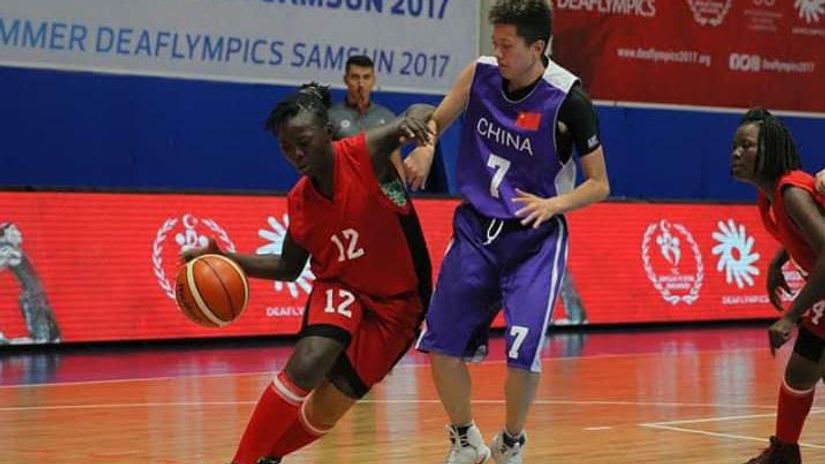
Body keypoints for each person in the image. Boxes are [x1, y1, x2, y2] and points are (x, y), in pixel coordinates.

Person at [183, 83, 435, 464]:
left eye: (303, 141)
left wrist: (417, 115)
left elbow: (420, 106)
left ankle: (270, 456)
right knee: (309, 360)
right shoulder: (300, 201)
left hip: (399, 305)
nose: (296, 154)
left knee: (325, 410)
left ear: (328, 133)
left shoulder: (365, 152)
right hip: (342, 286)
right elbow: (289, 267)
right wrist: (225, 257)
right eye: (286, 147)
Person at [408, 1, 610, 462]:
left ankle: (511, 442)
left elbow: (600, 183)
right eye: (494, 42)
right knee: (440, 344)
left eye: (507, 45)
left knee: (522, 354)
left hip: (534, 238)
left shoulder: (569, 100)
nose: (497, 52)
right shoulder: (479, 74)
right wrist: (426, 146)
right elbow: (437, 121)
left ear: (537, 47)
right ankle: (465, 439)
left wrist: (555, 203)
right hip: (477, 229)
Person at [733, 108, 825, 464]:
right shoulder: (772, 196)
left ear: (769, 151)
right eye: (735, 146)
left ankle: (785, 452)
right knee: (803, 370)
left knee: (803, 368)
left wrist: (790, 317)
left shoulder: (791, 191)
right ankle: (785, 451)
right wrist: (778, 260)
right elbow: (805, 231)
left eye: (747, 146)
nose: (736, 153)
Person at [328, 55, 405, 182]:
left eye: (366, 77)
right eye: (355, 77)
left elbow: (395, 163)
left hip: (378, 189)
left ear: (373, 80)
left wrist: (402, 197)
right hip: (344, 188)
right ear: (345, 79)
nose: (361, 84)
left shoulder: (387, 117)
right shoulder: (331, 117)